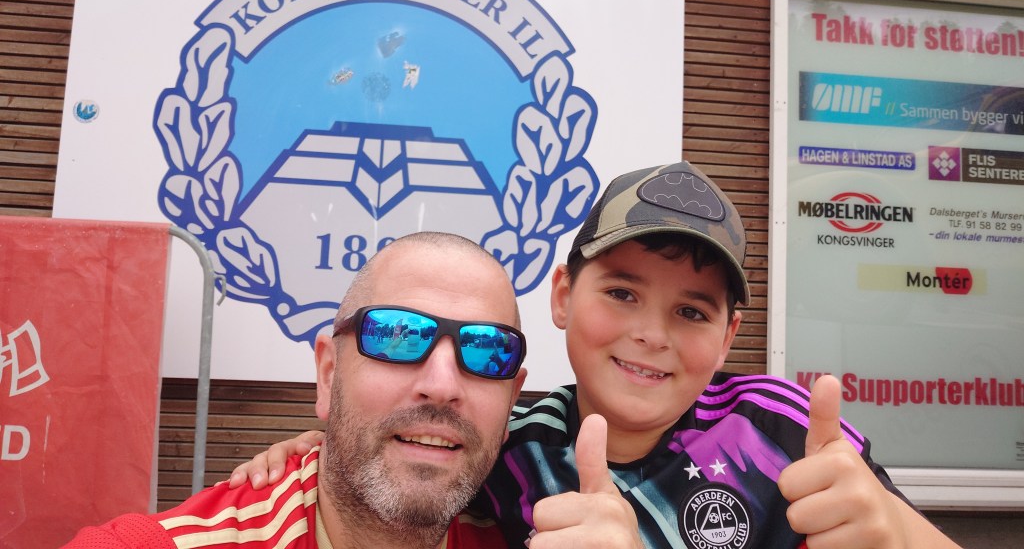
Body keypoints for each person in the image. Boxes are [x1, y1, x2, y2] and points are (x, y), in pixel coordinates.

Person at [231, 163, 963, 549]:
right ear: (562, 296)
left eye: (691, 312)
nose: (652, 334)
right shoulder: (514, 449)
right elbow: (405, 457)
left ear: (728, 337)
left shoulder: (785, 429)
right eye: (622, 293)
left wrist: (893, 531)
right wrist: (318, 448)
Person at [62, 232, 550, 549]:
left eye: (489, 351)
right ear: (329, 373)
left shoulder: (529, 534)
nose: (441, 386)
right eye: (396, 336)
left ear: (511, 402)